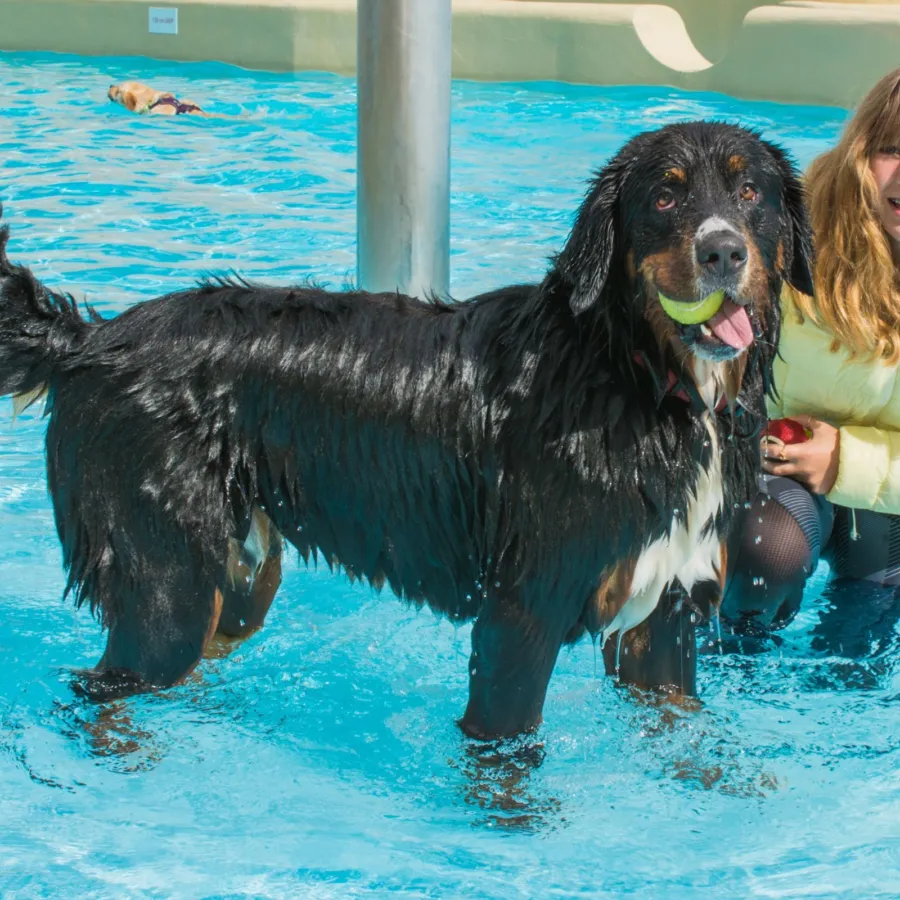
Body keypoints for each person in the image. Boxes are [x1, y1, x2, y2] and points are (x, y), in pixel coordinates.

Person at [723, 67, 900, 650]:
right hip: (781, 470)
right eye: (892, 149)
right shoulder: (793, 227)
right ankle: (738, 654)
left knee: (858, 656)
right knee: (757, 561)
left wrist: (848, 460)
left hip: (890, 505)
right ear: (860, 153)